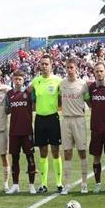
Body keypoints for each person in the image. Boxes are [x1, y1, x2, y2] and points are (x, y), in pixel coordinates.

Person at [30, 56, 63, 194]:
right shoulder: (35, 81)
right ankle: (43, 184)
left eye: (46, 64)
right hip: (40, 119)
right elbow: (31, 99)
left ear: (51, 65)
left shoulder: (58, 81)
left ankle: (59, 184)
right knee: (42, 152)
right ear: (39, 66)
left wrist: (56, 108)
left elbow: (61, 99)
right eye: (42, 64)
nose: (44, 66)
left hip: (53, 118)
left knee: (55, 151)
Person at [59, 58, 89, 194]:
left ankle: (84, 183)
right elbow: (59, 101)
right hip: (66, 120)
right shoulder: (62, 84)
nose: (69, 70)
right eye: (67, 67)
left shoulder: (83, 84)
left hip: (79, 120)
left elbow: (89, 101)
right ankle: (67, 184)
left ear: (76, 68)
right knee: (67, 152)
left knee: (82, 151)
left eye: (72, 67)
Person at [6, 70, 37, 194]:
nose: (18, 81)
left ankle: (31, 185)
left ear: (24, 80)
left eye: (20, 79)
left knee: (30, 157)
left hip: (27, 131)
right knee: (15, 158)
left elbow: (35, 106)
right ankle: (15, 185)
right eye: (16, 79)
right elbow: (7, 110)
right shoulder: (9, 94)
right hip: (14, 131)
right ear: (13, 80)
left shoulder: (29, 93)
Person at [87, 62, 105, 194]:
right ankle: (98, 184)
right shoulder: (91, 87)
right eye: (97, 71)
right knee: (96, 156)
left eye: (101, 71)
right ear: (94, 73)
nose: (99, 73)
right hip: (96, 128)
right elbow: (89, 102)